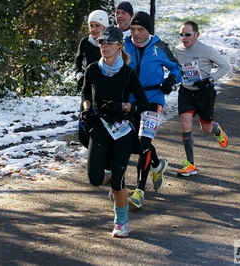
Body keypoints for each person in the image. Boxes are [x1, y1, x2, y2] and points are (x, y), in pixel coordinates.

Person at [81, 26, 148, 237]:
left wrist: (123, 107)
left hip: (122, 129)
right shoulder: (92, 69)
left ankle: (121, 220)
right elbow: (85, 94)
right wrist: (86, 109)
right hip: (100, 126)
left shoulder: (128, 73)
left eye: (110, 43)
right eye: (102, 43)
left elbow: (142, 103)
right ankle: (109, 177)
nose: (105, 47)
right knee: (94, 178)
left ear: (120, 46)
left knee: (119, 181)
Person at [124, 11, 182, 209]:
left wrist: (171, 80)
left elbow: (177, 68)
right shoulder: (124, 44)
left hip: (153, 99)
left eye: (140, 29)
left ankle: (139, 191)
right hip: (131, 100)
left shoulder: (159, 46)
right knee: (133, 141)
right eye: (133, 29)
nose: (136, 33)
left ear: (148, 30)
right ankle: (158, 165)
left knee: (144, 142)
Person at [173, 20, 231, 177]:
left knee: (206, 129)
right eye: (181, 35)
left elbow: (226, 67)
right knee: (185, 123)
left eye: (187, 34)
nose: (184, 38)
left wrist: (209, 80)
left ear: (197, 35)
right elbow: (177, 68)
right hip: (186, 92)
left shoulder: (207, 50)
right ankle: (190, 164)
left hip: (204, 94)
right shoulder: (178, 50)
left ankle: (216, 129)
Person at [74, 10, 109, 148]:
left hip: (105, 92)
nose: (93, 29)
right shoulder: (85, 42)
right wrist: (79, 75)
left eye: (97, 26)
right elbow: (77, 60)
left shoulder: (109, 44)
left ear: (104, 27)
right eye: (91, 25)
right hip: (87, 90)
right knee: (83, 133)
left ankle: (104, 160)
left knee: (102, 129)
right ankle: (97, 154)